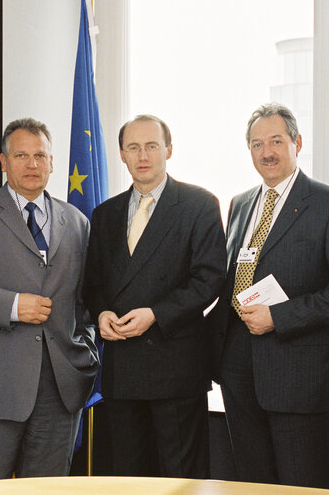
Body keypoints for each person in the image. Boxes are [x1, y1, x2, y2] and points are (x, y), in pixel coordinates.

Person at [208, 103, 329, 488]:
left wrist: (279, 316)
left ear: (297, 142)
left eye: (277, 141)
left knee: (301, 483)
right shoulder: (240, 203)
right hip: (238, 368)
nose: (267, 152)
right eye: (257, 144)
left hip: (297, 374)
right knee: (252, 481)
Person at [0, 117, 98, 481]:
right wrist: (11, 306)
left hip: (60, 392)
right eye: (21, 155)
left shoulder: (77, 222)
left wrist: (84, 354)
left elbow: (86, 302)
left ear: (53, 163)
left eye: (40, 155)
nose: (32, 164)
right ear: (3, 161)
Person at [84, 114, 226, 478]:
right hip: (122, 371)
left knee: (181, 478)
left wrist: (156, 314)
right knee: (128, 478)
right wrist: (100, 314)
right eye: (133, 147)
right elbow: (93, 282)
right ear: (121, 154)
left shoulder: (199, 204)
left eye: (151, 146)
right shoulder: (104, 214)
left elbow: (209, 279)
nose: (142, 155)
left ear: (169, 150)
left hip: (175, 367)